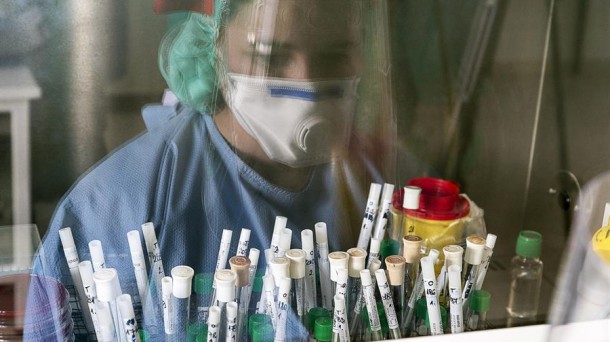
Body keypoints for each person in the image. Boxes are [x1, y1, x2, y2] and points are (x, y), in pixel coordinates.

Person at [31, 0, 429, 339]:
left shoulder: (389, 183)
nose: (306, 81)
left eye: (333, 55)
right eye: (270, 56)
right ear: (213, 47)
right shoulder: (117, 207)